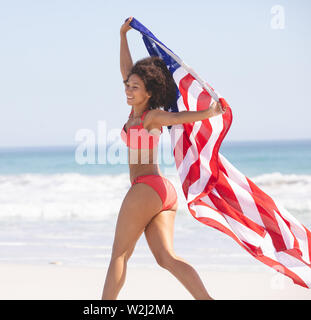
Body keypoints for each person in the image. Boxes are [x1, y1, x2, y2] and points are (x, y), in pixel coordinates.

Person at [101, 17, 226, 300]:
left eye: (134, 87)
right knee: (166, 258)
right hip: (162, 192)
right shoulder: (135, 113)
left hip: (146, 187)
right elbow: (126, 69)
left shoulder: (151, 116)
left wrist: (209, 113)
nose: (128, 89)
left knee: (119, 255)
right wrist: (123, 35)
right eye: (128, 85)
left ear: (149, 92)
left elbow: (178, 118)